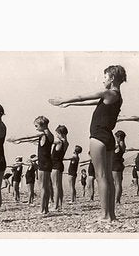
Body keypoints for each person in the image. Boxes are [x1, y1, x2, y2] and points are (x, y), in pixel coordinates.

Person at [49, 65, 127, 221]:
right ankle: (111, 214)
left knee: (101, 176)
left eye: (104, 77)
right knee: (108, 178)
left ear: (111, 78)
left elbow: (82, 96)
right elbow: (89, 102)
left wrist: (64, 99)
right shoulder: (116, 96)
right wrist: (70, 104)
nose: (102, 80)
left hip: (99, 136)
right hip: (109, 137)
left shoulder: (108, 92)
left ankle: (105, 215)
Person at [7, 116, 54, 214]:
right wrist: (20, 141)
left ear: (43, 125)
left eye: (36, 126)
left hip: (43, 163)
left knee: (43, 187)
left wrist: (16, 139)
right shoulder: (50, 135)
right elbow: (31, 139)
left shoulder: (43, 134)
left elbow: (28, 136)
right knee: (46, 186)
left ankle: (42, 209)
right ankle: (45, 208)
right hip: (47, 162)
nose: (36, 128)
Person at [51, 125, 69, 211]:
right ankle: (60, 204)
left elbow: (50, 141)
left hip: (55, 165)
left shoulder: (59, 142)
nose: (56, 135)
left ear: (60, 133)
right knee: (59, 186)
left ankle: (55, 206)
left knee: (56, 186)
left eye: (57, 133)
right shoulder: (66, 142)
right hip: (60, 164)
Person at [112, 130, 126, 204]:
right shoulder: (123, 144)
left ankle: (117, 200)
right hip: (119, 164)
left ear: (119, 137)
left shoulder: (118, 145)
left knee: (117, 183)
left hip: (115, 165)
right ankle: (117, 199)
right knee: (118, 183)